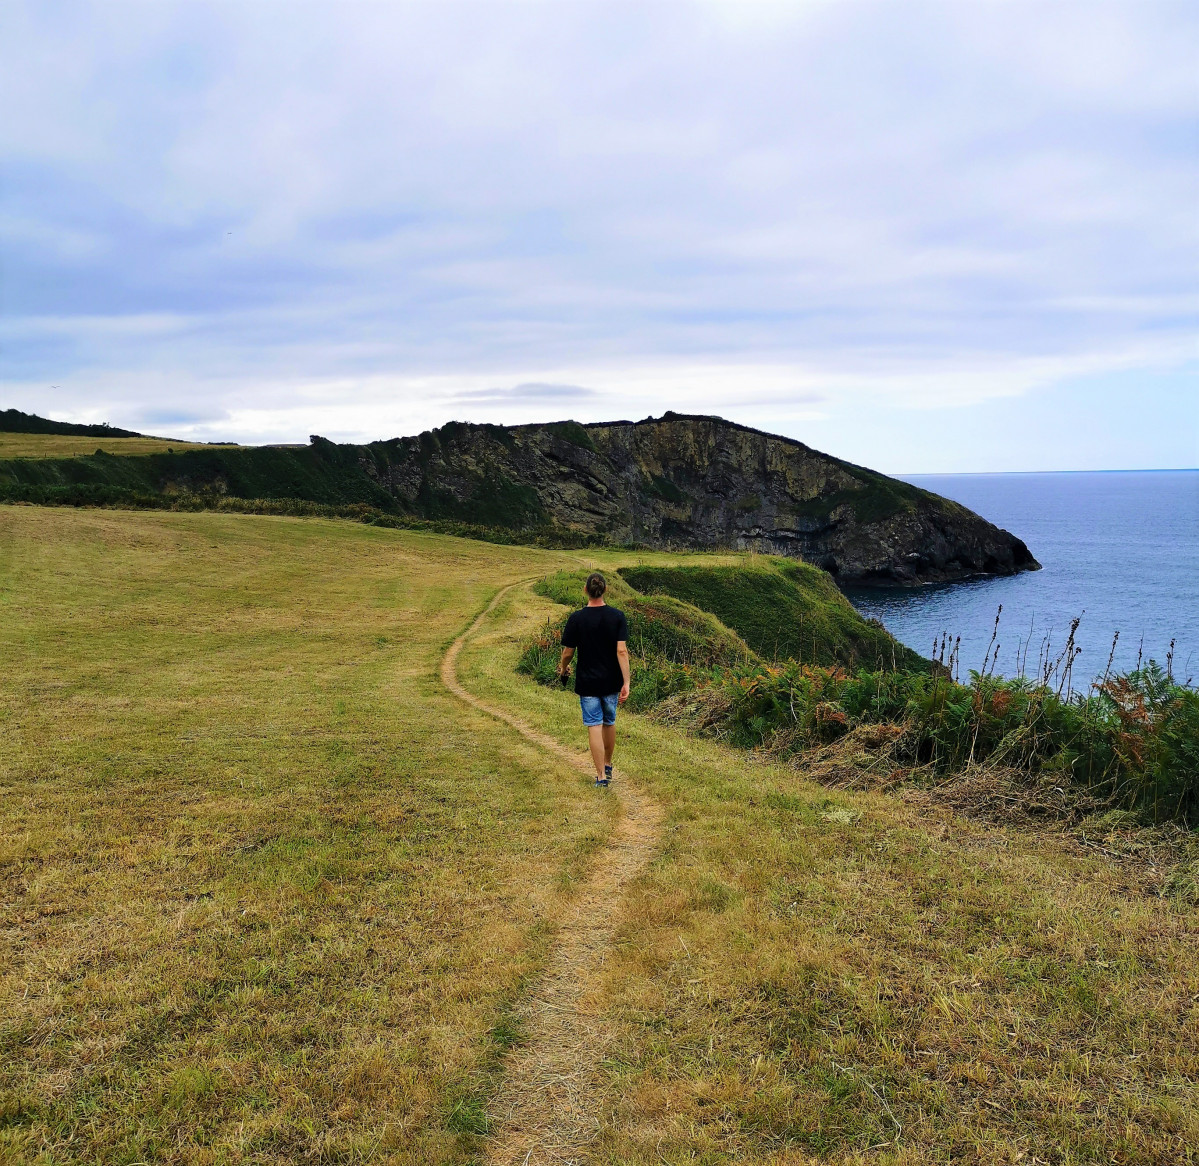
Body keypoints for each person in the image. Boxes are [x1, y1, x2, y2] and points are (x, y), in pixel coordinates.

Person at [557, 571, 630, 788]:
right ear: (606, 590)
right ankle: (608, 763)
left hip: (588, 682)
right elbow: (622, 651)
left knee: (594, 726)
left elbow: (568, 652)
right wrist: (626, 682)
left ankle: (600, 776)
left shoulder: (576, 619)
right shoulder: (617, 616)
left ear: (585, 591)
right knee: (609, 722)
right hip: (611, 681)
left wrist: (563, 669)